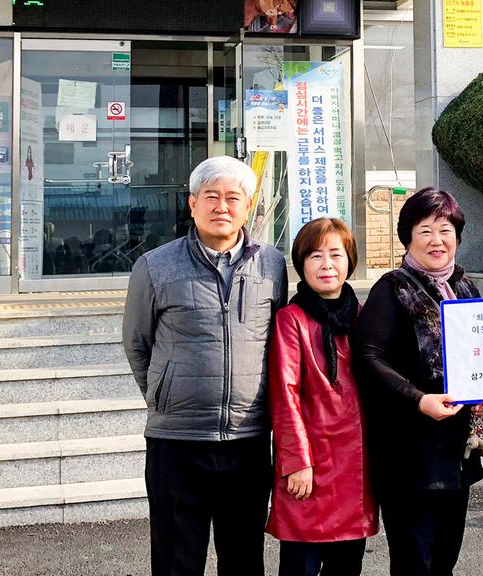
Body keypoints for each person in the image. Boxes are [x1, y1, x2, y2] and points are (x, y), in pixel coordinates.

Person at [122, 155, 288, 576]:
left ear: (247, 206)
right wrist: (166, 394)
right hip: (177, 442)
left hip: (248, 440)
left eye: (233, 197)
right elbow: (138, 344)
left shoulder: (272, 264)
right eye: (211, 196)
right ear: (192, 204)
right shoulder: (155, 265)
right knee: (177, 561)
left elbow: (279, 343)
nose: (222, 207)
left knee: (244, 559)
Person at [353, 187, 483, 576]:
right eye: (425, 230)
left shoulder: (465, 287)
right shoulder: (392, 288)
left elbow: (482, 357)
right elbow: (368, 359)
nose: (436, 240)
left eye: (445, 230)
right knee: (414, 562)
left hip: (456, 451)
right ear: (407, 237)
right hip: (408, 453)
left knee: (445, 559)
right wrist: (418, 399)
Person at [266, 217, 378, 576]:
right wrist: (296, 461)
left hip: (356, 467)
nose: (326, 264)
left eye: (335, 254)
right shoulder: (291, 319)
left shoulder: (363, 316)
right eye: (315, 256)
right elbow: (285, 394)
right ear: (301, 263)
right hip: (310, 466)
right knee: (300, 565)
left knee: (347, 565)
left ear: (350, 261)